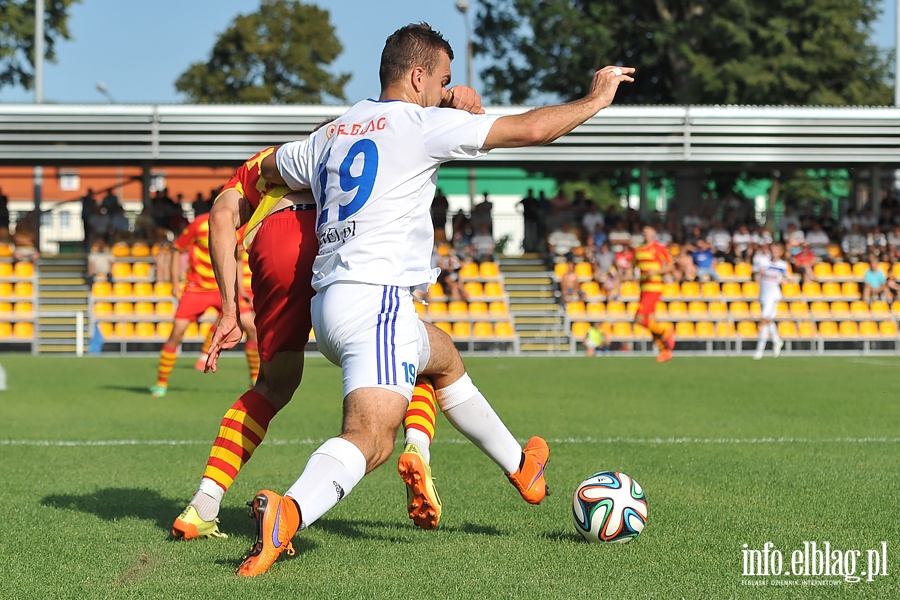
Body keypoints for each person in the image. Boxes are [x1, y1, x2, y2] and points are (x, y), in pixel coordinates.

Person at [238, 23, 633, 577]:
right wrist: (596, 98)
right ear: (419, 76)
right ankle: (291, 511)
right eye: (444, 79)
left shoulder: (332, 132)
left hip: (328, 307)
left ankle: (523, 466)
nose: (450, 90)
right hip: (378, 304)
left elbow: (271, 170)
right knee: (370, 440)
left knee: (441, 357)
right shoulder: (423, 126)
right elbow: (533, 130)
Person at [149, 203, 258, 398]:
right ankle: (161, 382)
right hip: (197, 288)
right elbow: (177, 249)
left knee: (252, 328)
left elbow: (238, 259)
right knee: (177, 332)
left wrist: (241, 290)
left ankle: (255, 381)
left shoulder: (239, 227)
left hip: (224, 288)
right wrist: (175, 283)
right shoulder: (199, 223)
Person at [632, 225, 676, 363]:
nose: (646, 232)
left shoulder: (659, 248)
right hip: (644, 288)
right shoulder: (638, 250)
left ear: (654, 233)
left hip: (654, 288)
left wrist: (656, 272)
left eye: (649, 230)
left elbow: (671, 265)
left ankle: (665, 331)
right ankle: (665, 351)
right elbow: (633, 267)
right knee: (650, 321)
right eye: (644, 230)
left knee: (639, 319)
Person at [754, 242, 788, 360]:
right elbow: (755, 274)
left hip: (774, 295)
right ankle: (777, 341)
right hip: (763, 294)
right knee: (768, 321)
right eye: (773, 250)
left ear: (780, 252)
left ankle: (760, 350)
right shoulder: (763, 261)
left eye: (777, 250)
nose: (774, 252)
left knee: (764, 320)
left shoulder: (783, 265)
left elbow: (785, 280)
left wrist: (782, 280)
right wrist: (759, 273)